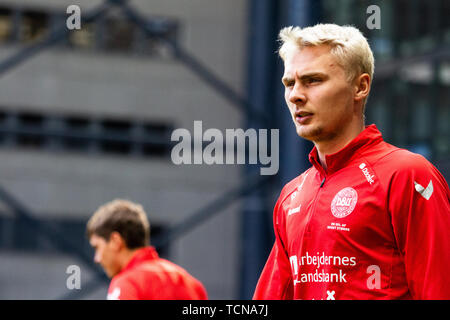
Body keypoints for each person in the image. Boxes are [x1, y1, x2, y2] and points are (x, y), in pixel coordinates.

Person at [253, 23, 450, 300]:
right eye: (289, 83)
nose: (296, 95)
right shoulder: (291, 195)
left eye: (313, 80)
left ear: (361, 86)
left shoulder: (408, 175)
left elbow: (439, 289)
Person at [86, 199, 208, 300]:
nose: (97, 258)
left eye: (97, 247)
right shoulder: (191, 284)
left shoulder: (127, 283)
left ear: (115, 241)